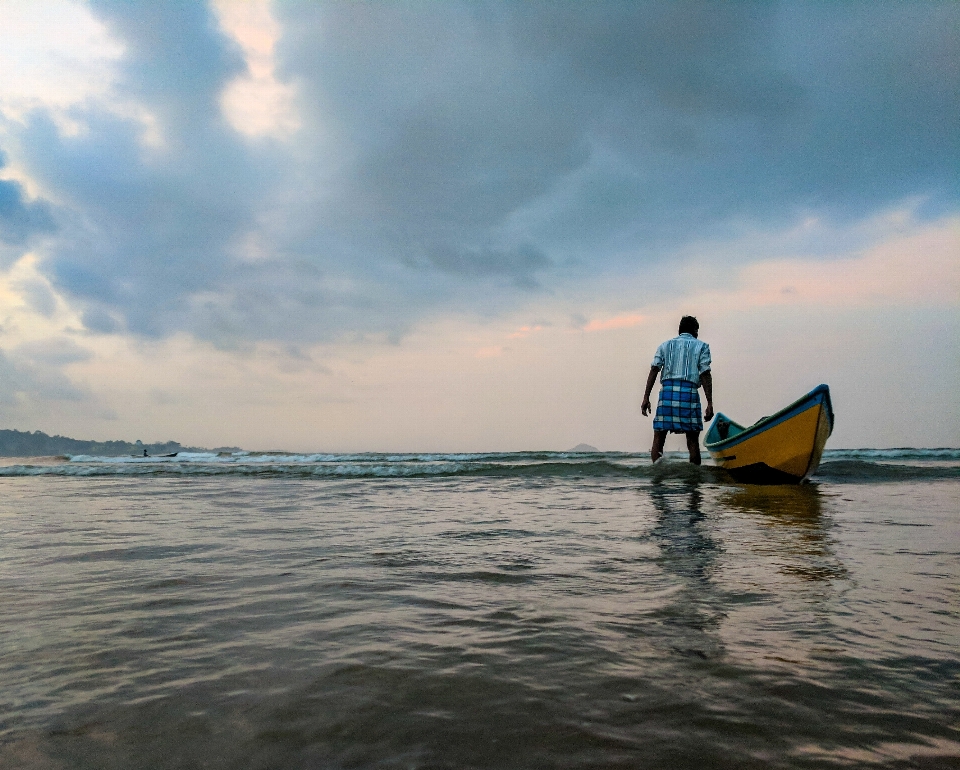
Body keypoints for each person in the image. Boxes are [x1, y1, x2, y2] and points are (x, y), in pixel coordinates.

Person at [641, 316, 714, 464]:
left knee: (659, 436)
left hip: (667, 394)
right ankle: (693, 481)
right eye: (697, 331)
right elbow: (705, 373)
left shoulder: (665, 345)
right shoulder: (702, 346)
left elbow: (654, 369)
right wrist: (710, 402)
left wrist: (646, 397)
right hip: (689, 394)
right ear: (694, 330)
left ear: (680, 330)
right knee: (692, 439)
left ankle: (657, 478)